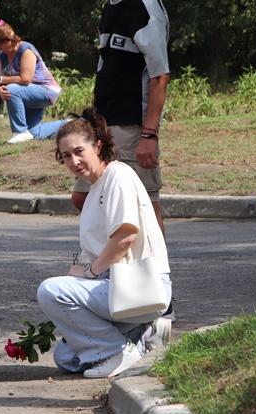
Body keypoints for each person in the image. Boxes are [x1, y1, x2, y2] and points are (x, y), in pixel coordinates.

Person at [37, 109, 172, 378]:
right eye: (66, 156)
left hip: (139, 285)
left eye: (79, 151)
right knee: (66, 357)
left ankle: (117, 351)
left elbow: (125, 236)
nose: (73, 161)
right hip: (115, 286)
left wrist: (90, 273)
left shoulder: (117, 176)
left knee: (50, 291)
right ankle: (144, 335)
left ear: (97, 146)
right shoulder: (95, 187)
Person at [71, 0, 171, 236]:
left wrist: (149, 134)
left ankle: (156, 272)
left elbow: (160, 76)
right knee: (83, 197)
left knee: (143, 204)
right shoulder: (110, 6)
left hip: (132, 126)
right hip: (104, 124)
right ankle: (116, 261)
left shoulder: (144, 7)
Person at [0, 24, 66, 144]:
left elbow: (25, 79)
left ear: (10, 40)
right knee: (34, 133)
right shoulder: (3, 56)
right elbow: (0, 79)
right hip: (27, 93)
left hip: (46, 91)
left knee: (12, 89)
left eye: (0, 44)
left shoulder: (25, 50)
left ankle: (20, 132)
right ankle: (70, 123)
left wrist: (2, 81)